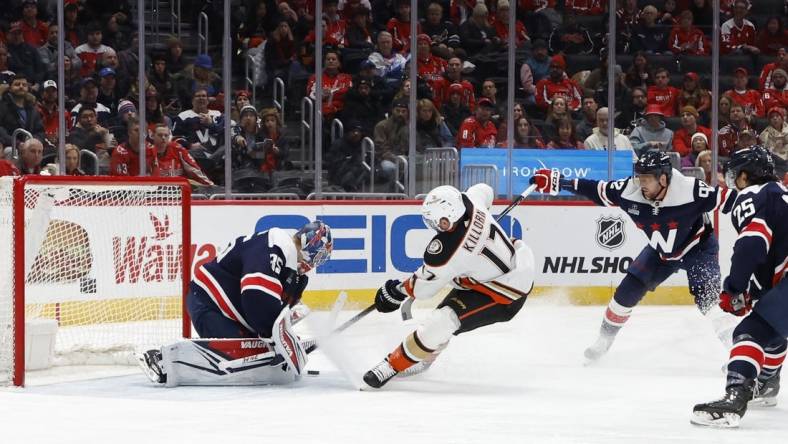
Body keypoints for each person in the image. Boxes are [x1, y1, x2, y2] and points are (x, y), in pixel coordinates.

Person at [529, 151, 740, 362]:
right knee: (624, 295)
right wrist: (557, 182)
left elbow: (732, 200)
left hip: (698, 247)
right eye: (640, 177)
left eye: (647, 178)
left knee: (708, 298)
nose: (641, 184)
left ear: (664, 178)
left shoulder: (691, 190)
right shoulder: (629, 190)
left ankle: (737, 352)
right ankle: (603, 341)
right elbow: (595, 189)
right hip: (660, 252)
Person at [362, 184, 535, 388]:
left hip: (504, 295)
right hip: (492, 275)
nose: (433, 225)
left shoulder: (449, 250)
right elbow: (485, 189)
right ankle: (426, 353)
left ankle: (392, 365)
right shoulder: (471, 200)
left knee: (442, 321)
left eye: (436, 221)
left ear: (448, 217)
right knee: (442, 319)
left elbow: (423, 289)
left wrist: (395, 292)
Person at [138, 221, 333, 387]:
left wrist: (282, 322)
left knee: (257, 346)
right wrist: (276, 336)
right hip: (208, 302)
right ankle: (161, 358)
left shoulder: (283, 254)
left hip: (222, 305)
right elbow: (256, 296)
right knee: (237, 351)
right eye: (319, 257)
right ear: (311, 246)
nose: (315, 264)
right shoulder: (278, 246)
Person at [691, 146, 788, 428]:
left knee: (748, 332)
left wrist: (734, 287)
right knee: (771, 325)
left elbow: (752, 245)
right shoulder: (779, 192)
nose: (732, 181)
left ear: (745, 176)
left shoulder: (752, 196)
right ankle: (768, 383)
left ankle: (736, 394)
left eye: (734, 175)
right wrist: (754, 293)